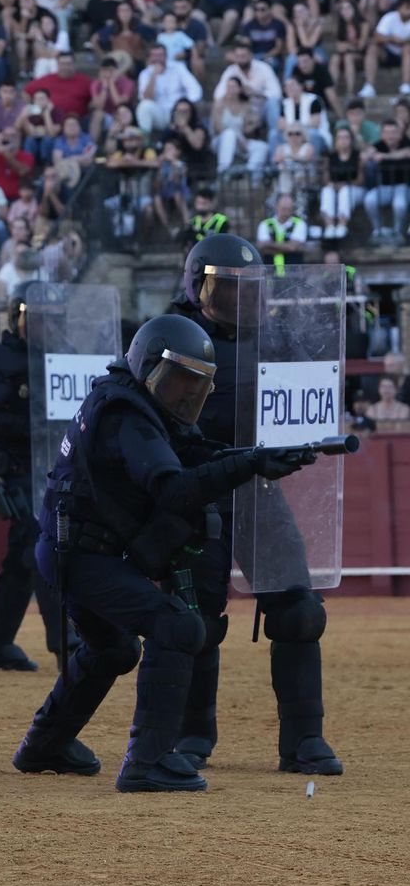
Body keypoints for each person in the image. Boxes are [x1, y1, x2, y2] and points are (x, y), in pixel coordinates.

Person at [12, 312, 313, 791]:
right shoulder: (126, 416)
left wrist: (254, 458)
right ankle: (146, 762)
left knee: (113, 648)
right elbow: (174, 489)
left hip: (72, 552)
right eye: (178, 380)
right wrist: (250, 464)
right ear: (149, 367)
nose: (187, 394)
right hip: (83, 556)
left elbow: (192, 454)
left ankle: (43, 745)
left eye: (197, 385)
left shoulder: (134, 403)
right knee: (178, 625)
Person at [166, 234, 344, 777]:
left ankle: (304, 739)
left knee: (300, 610)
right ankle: (191, 736)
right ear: (199, 287)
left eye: (250, 287)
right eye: (228, 287)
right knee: (196, 620)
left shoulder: (277, 338)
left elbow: (307, 400)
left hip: (260, 491)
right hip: (199, 495)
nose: (241, 297)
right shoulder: (172, 337)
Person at [0, 289, 64, 670]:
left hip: (55, 467)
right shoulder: (1, 358)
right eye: (34, 316)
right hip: (17, 467)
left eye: (50, 317)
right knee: (39, 546)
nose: (42, 325)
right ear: (17, 318)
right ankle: (66, 642)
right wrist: (36, 428)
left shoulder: (66, 356)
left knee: (24, 558)